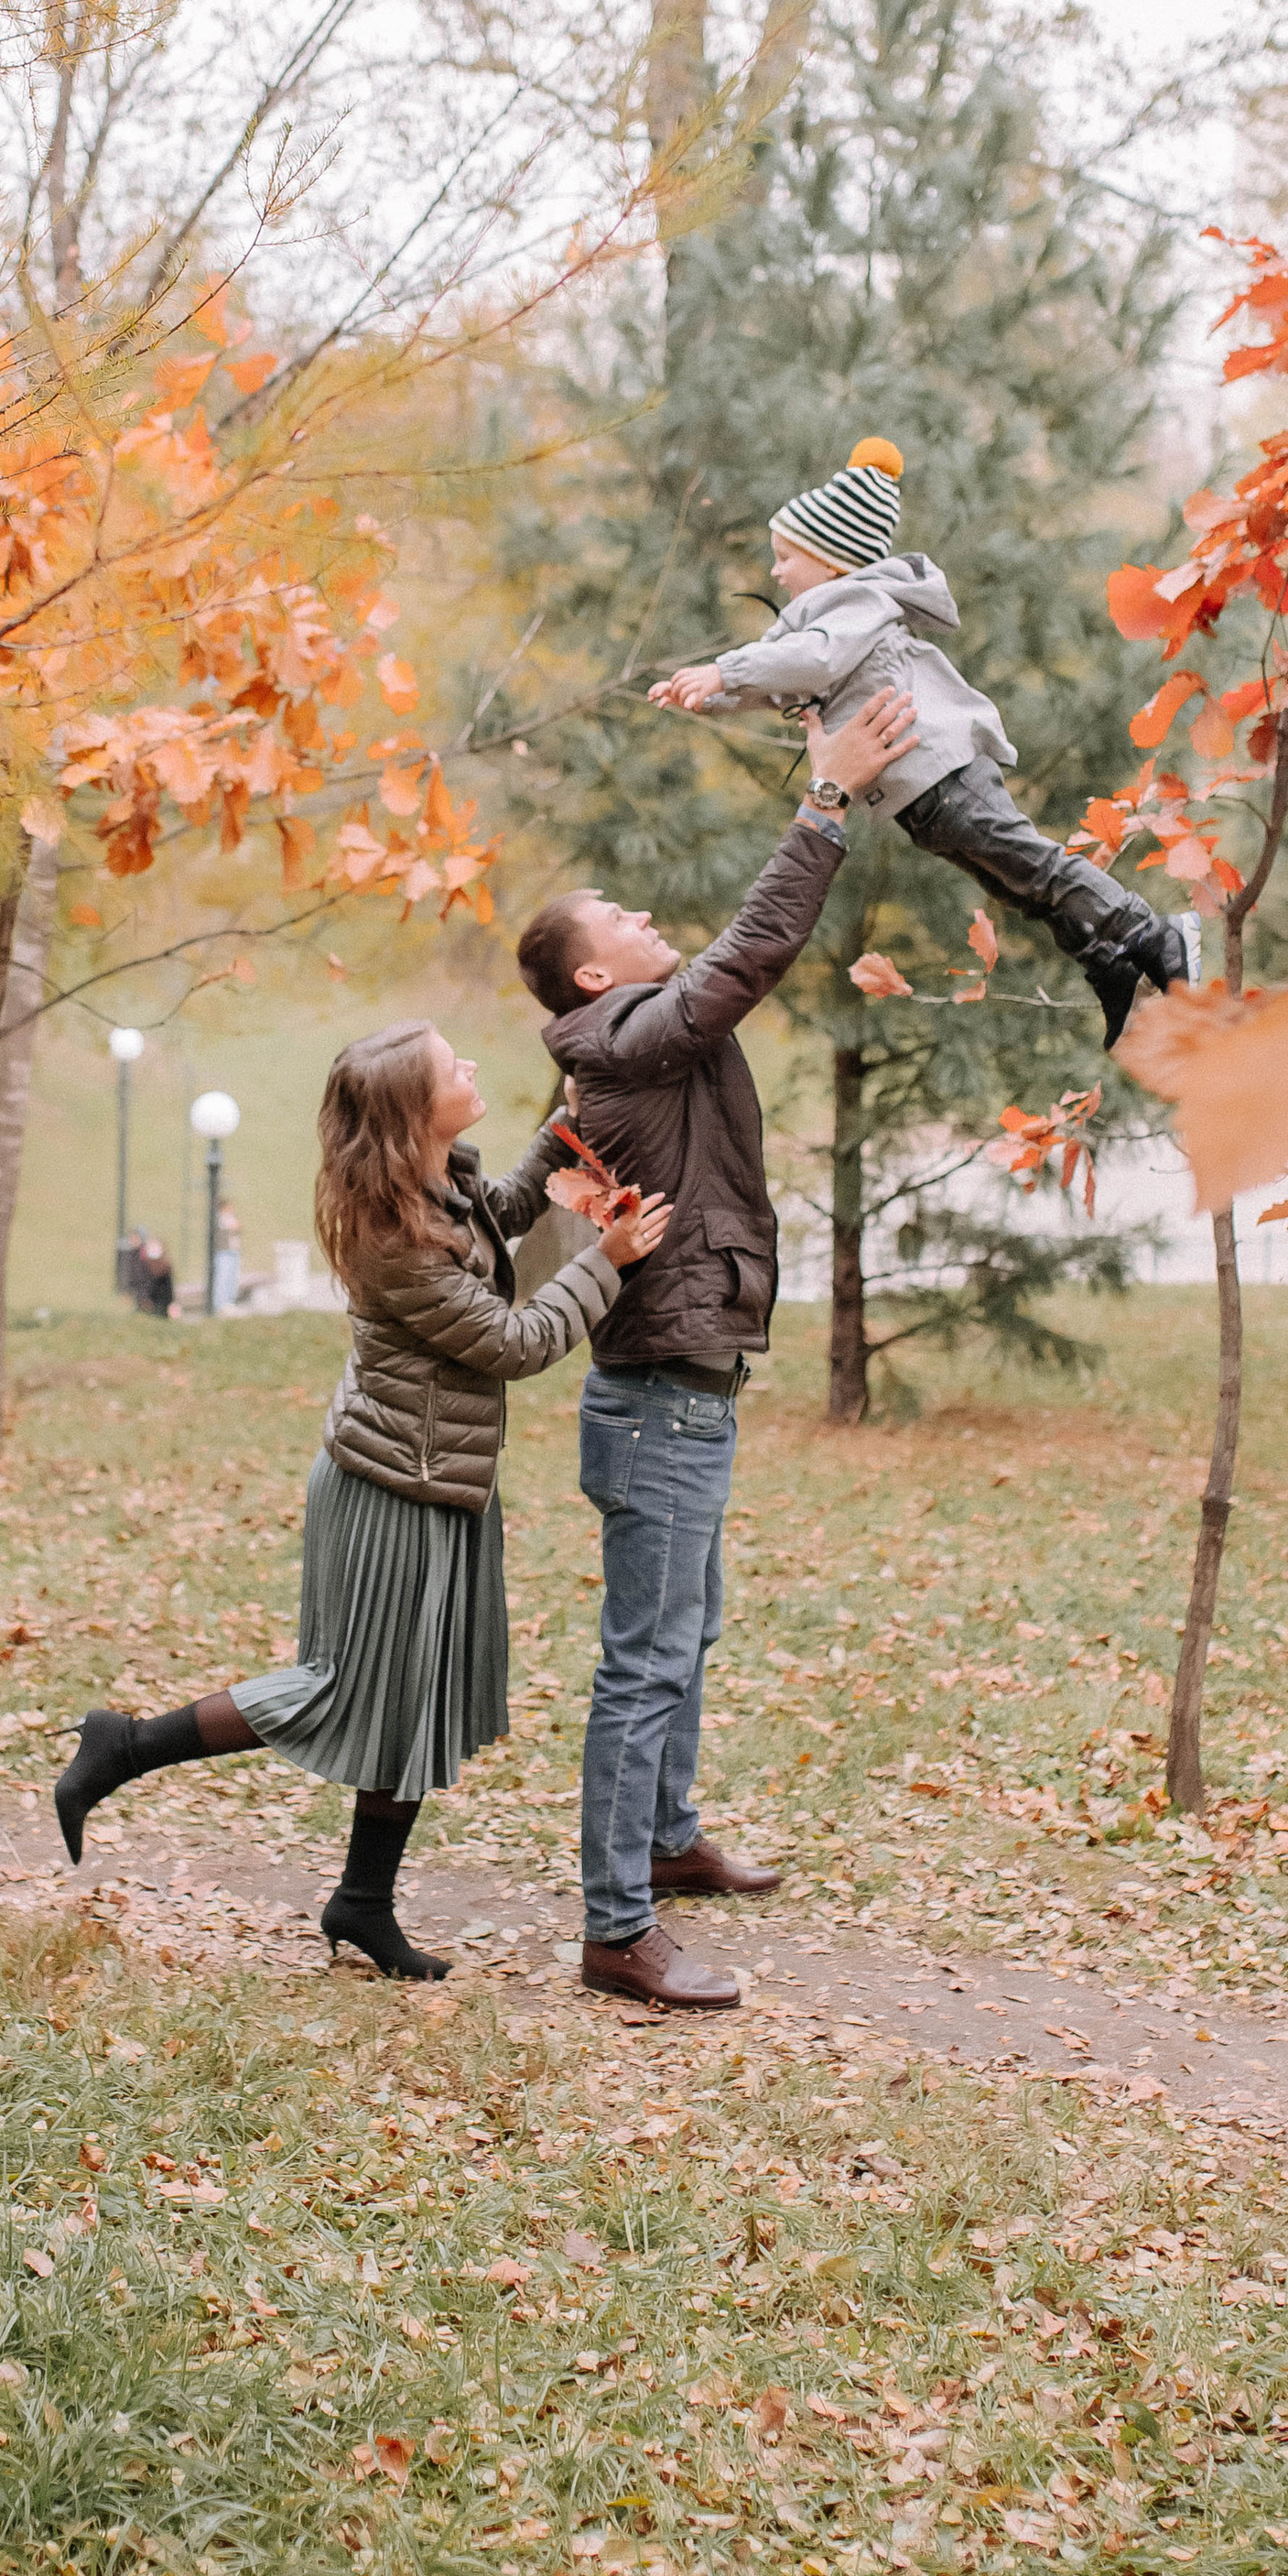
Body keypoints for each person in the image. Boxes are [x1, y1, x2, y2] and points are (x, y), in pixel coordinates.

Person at [53, 1024, 670, 1979]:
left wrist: (560, 1130)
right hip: (391, 1488)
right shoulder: (393, 1238)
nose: (469, 1067)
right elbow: (514, 1342)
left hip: (439, 1476)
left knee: (411, 1701)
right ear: (412, 1112)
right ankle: (123, 1746)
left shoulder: (435, 1179)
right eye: (450, 1067)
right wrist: (607, 1261)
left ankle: (362, 1903)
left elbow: (501, 1210)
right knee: (340, 1686)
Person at [514, 690, 921, 2013]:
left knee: (688, 1633)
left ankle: (668, 1840)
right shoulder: (633, 1036)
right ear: (593, 973)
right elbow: (748, 955)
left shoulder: (613, 1055)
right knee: (646, 1656)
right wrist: (825, 799)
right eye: (620, 921)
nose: (646, 920)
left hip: (683, 1389)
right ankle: (615, 1929)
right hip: (654, 1404)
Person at [649, 434, 1193, 1048]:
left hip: (944, 775)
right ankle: (1107, 961)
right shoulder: (821, 618)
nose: (775, 571)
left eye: (785, 557)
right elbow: (783, 673)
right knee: (1016, 886)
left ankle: (1152, 932)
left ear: (830, 561)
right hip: (919, 797)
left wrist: (724, 671)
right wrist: (709, 694)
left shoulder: (853, 603)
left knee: (1033, 866)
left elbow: (811, 659)